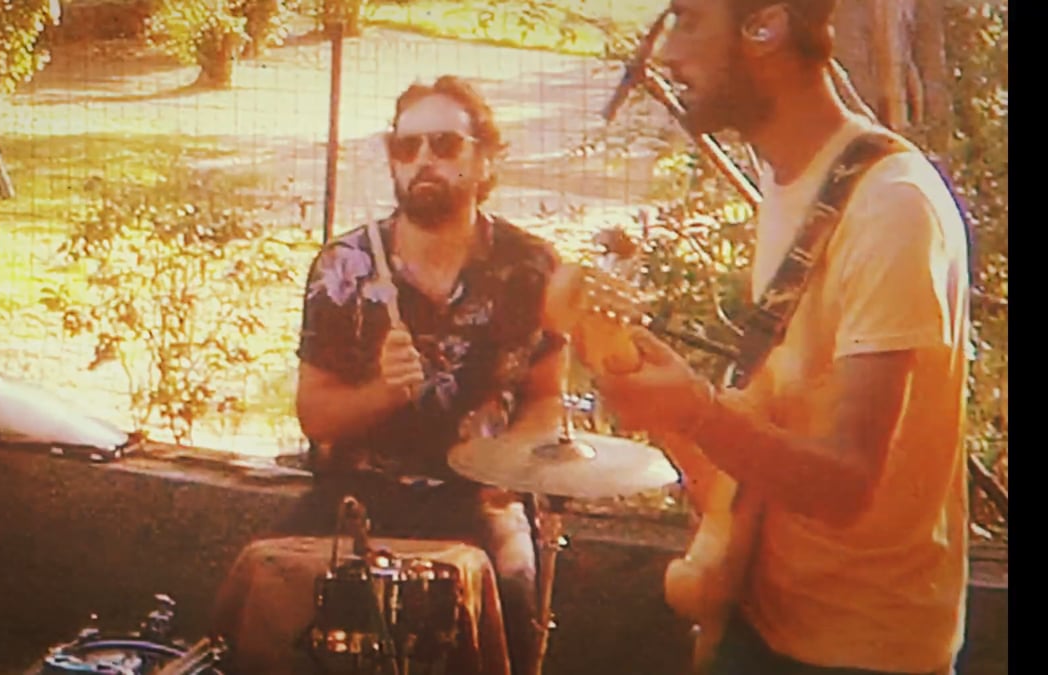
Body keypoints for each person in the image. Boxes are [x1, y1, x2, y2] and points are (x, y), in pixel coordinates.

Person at [587, 1, 973, 674]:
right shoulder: (795, 177)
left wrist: (696, 410)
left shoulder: (892, 208)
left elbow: (847, 484)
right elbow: (782, 418)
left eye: (688, 20)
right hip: (762, 615)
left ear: (765, 27)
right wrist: (666, 402)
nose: (669, 55)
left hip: (862, 651)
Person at [278, 75, 568, 675]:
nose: (424, 160)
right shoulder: (345, 266)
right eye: (407, 147)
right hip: (359, 494)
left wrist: (507, 463)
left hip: (479, 500)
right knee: (272, 586)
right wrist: (384, 393)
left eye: (445, 144)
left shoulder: (532, 268)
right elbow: (315, 415)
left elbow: (546, 400)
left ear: (485, 160)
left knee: (513, 595)